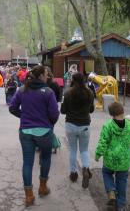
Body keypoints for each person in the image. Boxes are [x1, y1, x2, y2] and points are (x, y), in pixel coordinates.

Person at [9, 65, 60, 207]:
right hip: (44, 131)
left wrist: (24, 116)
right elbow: (55, 114)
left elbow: (12, 108)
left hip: (25, 132)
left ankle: (29, 196)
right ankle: (43, 188)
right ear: (41, 76)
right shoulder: (48, 92)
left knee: (27, 163)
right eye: (46, 74)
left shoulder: (22, 90)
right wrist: (49, 123)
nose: (48, 76)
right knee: (45, 158)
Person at [95, 102, 130, 211]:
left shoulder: (108, 125)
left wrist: (98, 154)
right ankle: (121, 205)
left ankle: (111, 192)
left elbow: (103, 142)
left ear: (111, 114)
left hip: (110, 159)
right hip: (124, 160)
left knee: (106, 173)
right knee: (122, 182)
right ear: (123, 111)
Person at [61, 72, 94, 188]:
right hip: (85, 125)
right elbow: (91, 110)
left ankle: (73, 173)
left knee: (73, 150)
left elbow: (63, 111)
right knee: (84, 150)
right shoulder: (89, 92)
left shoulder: (68, 93)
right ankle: (85, 169)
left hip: (71, 125)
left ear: (73, 80)